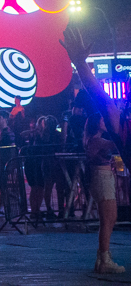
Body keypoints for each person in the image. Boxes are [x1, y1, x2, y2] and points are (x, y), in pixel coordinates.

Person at [83, 112, 124, 273]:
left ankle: (102, 257)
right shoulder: (97, 140)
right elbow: (116, 144)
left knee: (108, 218)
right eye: (102, 120)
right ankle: (105, 259)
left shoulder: (92, 140)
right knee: (108, 219)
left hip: (101, 176)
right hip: (102, 177)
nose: (105, 122)